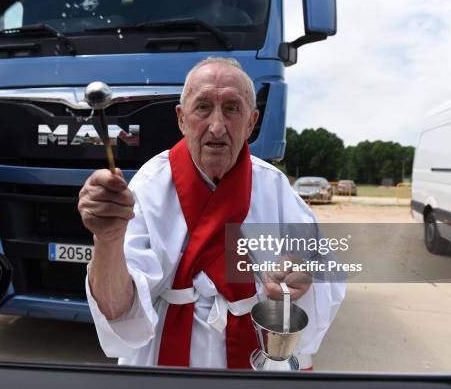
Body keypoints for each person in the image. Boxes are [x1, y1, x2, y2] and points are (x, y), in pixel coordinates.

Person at [78, 57, 345, 369]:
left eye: (232, 108)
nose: (217, 126)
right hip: (162, 354)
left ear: (251, 121)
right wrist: (107, 240)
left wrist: (302, 277)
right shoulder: (151, 184)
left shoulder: (275, 188)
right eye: (203, 106)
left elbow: (322, 267)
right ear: (181, 118)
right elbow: (117, 307)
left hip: (255, 351)